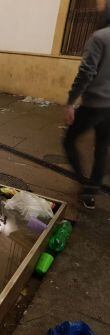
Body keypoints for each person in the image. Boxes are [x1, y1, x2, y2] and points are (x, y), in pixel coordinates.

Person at [64, 6, 110, 209]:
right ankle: (91, 194)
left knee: (68, 140)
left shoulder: (99, 37)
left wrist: (71, 101)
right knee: (101, 148)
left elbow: (86, 72)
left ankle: (83, 182)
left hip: (93, 104)